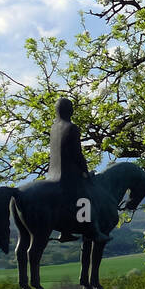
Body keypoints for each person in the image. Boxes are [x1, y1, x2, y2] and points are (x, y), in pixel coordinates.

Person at [47, 96, 110, 243]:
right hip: (68, 174)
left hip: (52, 173)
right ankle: (90, 229)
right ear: (70, 111)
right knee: (87, 196)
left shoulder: (54, 128)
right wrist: (84, 171)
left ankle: (64, 231)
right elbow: (77, 153)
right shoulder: (72, 127)